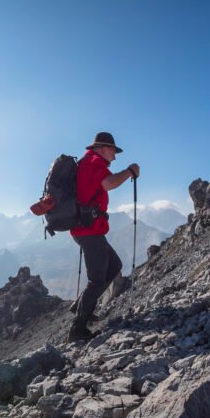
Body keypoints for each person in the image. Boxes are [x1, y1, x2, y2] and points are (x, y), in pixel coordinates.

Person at [68, 132, 140, 341]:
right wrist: (129, 172)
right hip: (89, 231)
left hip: (89, 230)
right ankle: (77, 329)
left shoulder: (87, 162)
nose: (114, 157)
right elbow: (108, 183)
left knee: (114, 265)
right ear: (102, 148)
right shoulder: (94, 162)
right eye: (113, 151)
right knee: (97, 279)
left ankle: (82, 306)